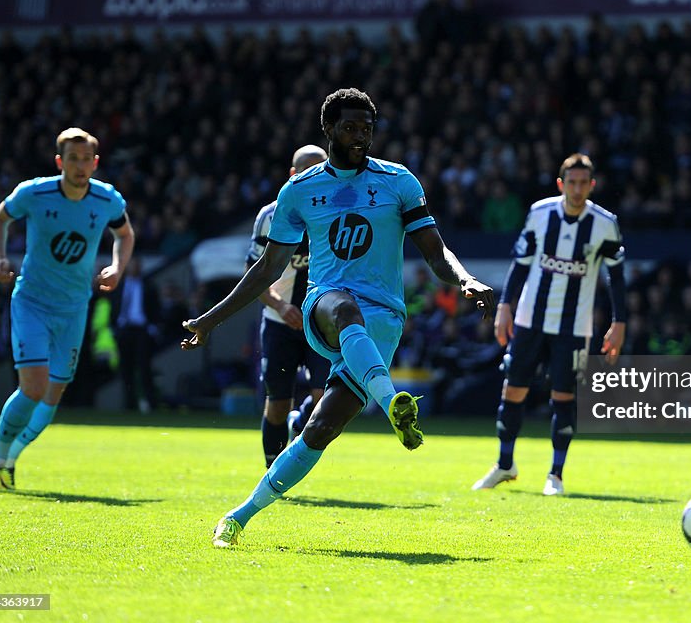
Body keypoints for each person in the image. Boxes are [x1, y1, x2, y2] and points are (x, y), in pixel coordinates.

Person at [180, 88, 495, 547]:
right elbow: (266, 268)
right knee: (343, 305)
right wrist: (210, 319)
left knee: (319, 429)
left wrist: (464, 279)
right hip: (325, 304)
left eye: (367, 128)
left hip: (384, 317)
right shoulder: (300, 191)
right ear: (328, 129)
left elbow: (434, 250)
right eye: (349, 127)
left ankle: (238, 516)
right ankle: (391, 404)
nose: (359, 136)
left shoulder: (398, 182)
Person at [0, 127, 134, 490]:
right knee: (33, 387)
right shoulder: (34, 192)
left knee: (55, 392)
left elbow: (125, 235)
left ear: (95, 163)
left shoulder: (107, 199)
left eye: (86, 160)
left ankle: (9, 464)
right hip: (31, 301)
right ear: (60, 161)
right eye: (73, 159)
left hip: (75, 307)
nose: (80, 167)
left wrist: (117, 267)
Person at [472, 153, 627, 496]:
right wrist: (505, 307)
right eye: (570, 182)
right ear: (561, 184)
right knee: (512, 390)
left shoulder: (604, 223)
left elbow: (616, 277)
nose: (576, 189)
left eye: (583, 183)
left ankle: (555, 474)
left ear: (591, 185)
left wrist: (619, 322)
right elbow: (521, 264)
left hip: (573, 326)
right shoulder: (540, 213)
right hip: (530, 319)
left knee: (563, 397)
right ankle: (505, 463)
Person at [248, 144, 330, 468]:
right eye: (307, 172)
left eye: (321, 172)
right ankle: (273, 475)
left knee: (327, 402)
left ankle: (301, 424)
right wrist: (281, 306)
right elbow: (252, 276)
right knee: (278, 404)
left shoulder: (338, 216)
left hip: (321, 326)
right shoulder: (270, 216)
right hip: (280, 323)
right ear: (293, 176)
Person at [111, 255, 160, 413]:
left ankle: (150, 403)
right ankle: (128, 404)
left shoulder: (148, 286)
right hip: (124, 329)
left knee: (144, 367)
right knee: (126, 369)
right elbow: (113, 307)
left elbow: (155, 309)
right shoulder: (119, 286)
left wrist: (153, 327)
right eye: (132, 265)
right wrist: (114, 327)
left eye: (137, 265)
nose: (135, 268)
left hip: (142, 330)